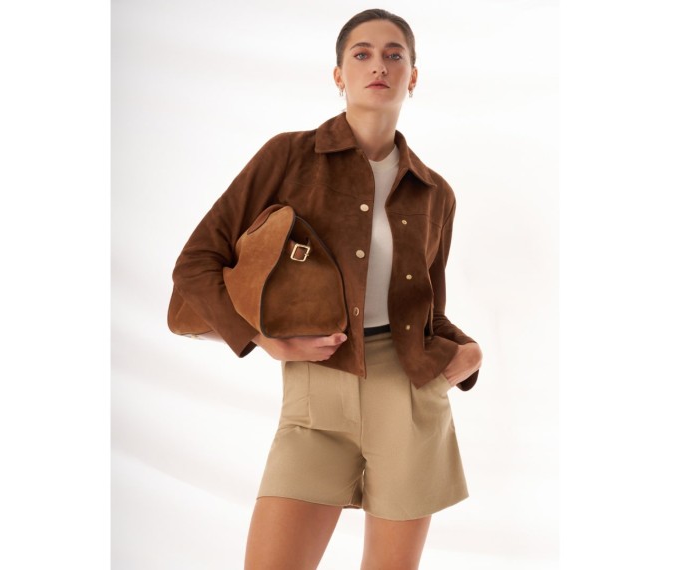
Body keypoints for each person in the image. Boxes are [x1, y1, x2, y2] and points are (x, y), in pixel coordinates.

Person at [171, 9, 483, 569]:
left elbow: (427, 310)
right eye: (362, 54)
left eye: (394, 55)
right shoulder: (289, 157)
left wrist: (470, 352)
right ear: (339, 74)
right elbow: (195, 263)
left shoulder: (435, 192)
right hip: (314, 397)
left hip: (409, 397)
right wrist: (261, 339)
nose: (378, 65)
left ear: (413, 76)